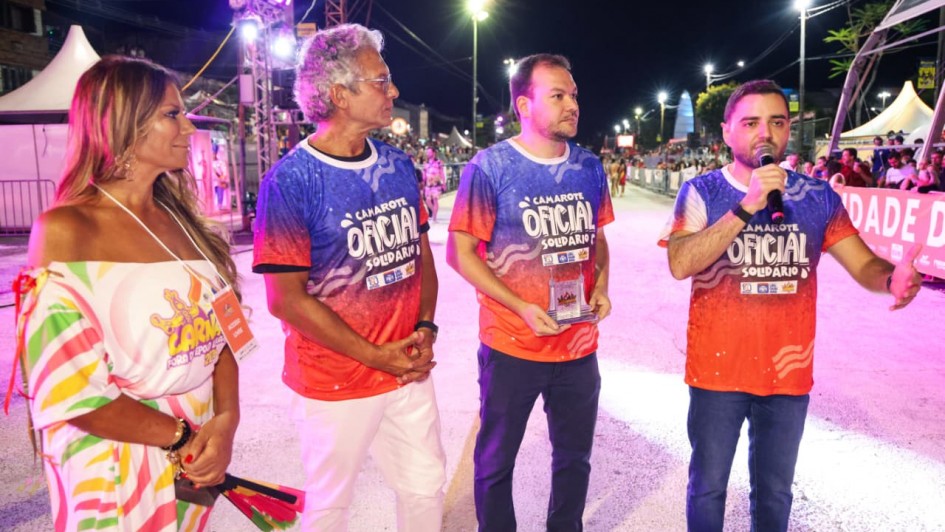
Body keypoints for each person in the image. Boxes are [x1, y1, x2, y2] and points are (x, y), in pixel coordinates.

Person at [660, 79, 922, 532]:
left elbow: (862, 264)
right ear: (726, 133)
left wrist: (891, 278)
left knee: (776, 491)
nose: (765, 133)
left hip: (787, 373)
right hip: (717, 372)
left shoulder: (818, 196)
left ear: (788, 131)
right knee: (708, 487)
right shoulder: (701, 192)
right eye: (751, 122)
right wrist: (747, 206)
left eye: (777, 122)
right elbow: (681, 262)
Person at [14, 56, 240, 531]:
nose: (188, 127)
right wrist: (180, 437)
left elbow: (224, 338)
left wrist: (226, 422)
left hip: (193, 454)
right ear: (124, 122)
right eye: (172, 114)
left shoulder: (186, 225)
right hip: (116, 461)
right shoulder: (66, 229)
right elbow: (70, 390)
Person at [251, 24, 446, 531]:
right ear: (339, 94)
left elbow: (418, 258)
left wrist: (425, 330)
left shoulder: (400, 166)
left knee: (426, 488)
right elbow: (286, 301)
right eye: (381, 81)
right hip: (333, 382)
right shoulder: (291, 182)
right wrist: (373, 355)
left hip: (406, 367)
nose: (394, 91)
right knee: (329, 507)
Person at [447, 53, 614, 531]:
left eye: (574, 95)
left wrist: (601, 284)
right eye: (557, 95)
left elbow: (596, 240)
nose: (571, 104)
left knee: (574, 459)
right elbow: (460, 254)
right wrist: (520, 305)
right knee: (496, 462)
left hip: (579, 344)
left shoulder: (588, 167)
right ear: (524, 104)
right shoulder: (490, 168)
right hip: (512, 344)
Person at [423, 146, 446, 222]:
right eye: (427, 152)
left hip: (436, 183)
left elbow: (442, 173)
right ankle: (434, 211)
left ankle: (434, 217)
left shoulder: (439, 162)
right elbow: (424, 173)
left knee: (435, 200)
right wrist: (423, 182)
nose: (428, 153)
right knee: (427, 200)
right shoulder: (425, 163)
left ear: (433, 153)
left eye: (429, 152)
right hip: (428, 184)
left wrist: (443, 183)